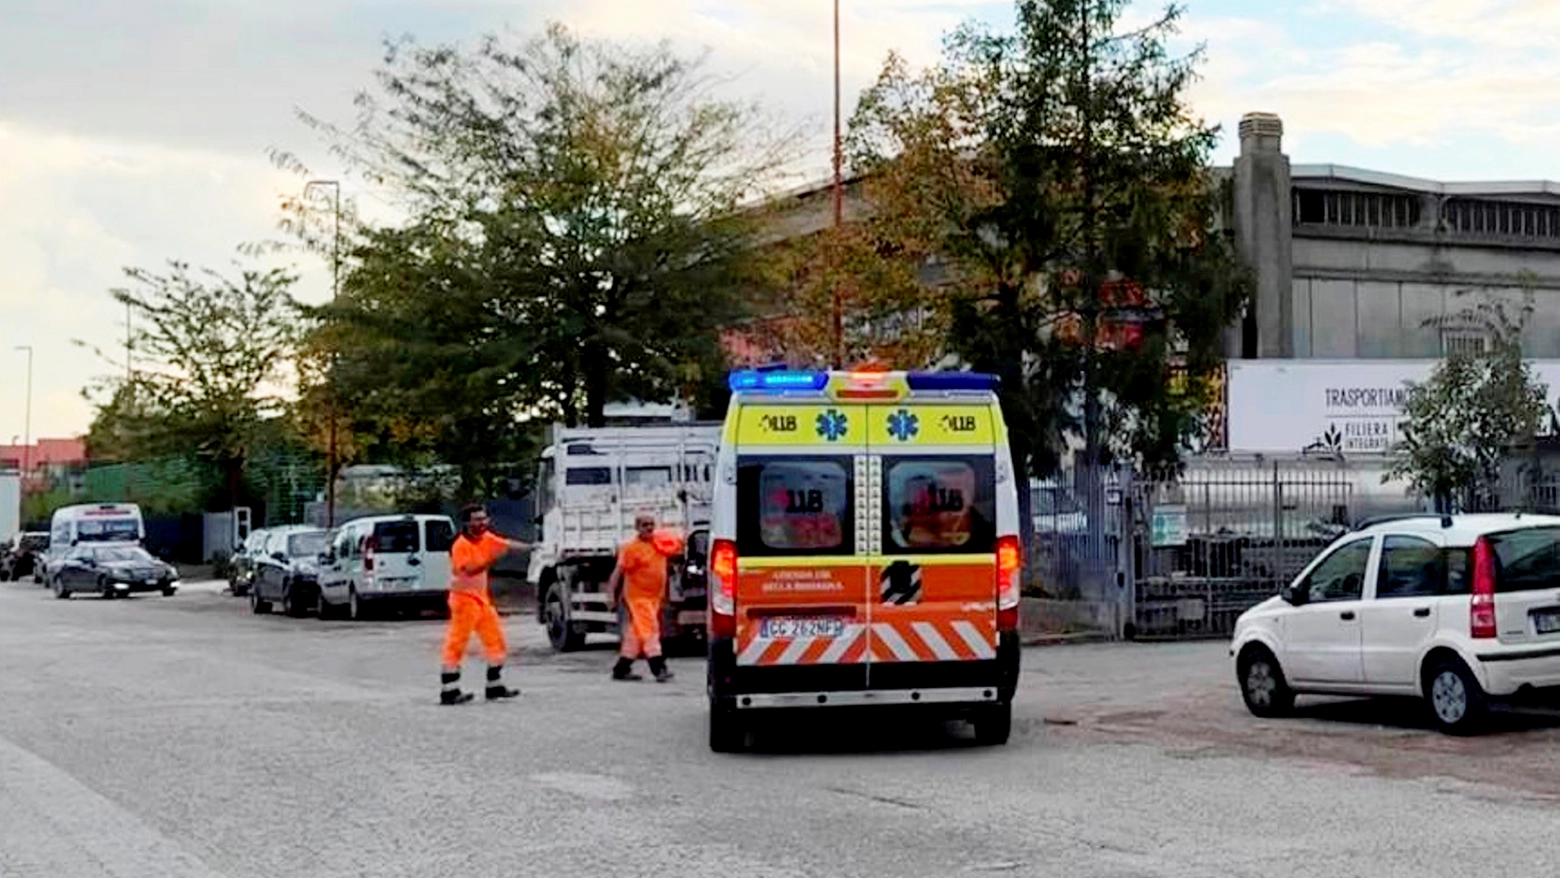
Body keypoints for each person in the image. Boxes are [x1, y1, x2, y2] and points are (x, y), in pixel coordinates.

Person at [440, 503, 531, 705]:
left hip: (481, 599)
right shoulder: (461, 545)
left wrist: (534, 548)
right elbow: (468, 570)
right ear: (467, 522)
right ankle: (449, 690)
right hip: (463, 599)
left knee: (496, 641)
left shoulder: (487, 538)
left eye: (484, 518)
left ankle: (494, 686)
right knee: (457, 642)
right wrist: (490, 560)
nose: (483, 523)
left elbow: (507, 544)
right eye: (477, 519)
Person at [605, 513, 676, 683]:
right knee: (650, 630)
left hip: (655, 597)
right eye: (645, 525)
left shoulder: (660, 544)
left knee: (636, 634)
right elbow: (618, 573)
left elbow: (680, 542)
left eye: (651, 524)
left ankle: (621, 669)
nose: (649, 528)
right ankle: (658, 668)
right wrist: (610, 595)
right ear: (637, 528)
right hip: (638, 597)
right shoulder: (631, 548)